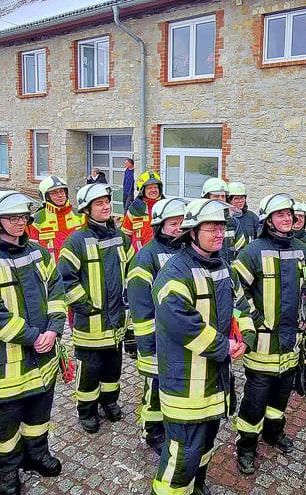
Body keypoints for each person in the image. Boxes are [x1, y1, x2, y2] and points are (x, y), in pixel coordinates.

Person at [0, 191, 66, 495]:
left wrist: (54, 329)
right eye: (12, 218)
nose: (20, 223)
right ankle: (8, 472)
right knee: (8, 423)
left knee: (40, 411)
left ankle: (36, 454)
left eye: (23, 217)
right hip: (7, 361)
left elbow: (57, 292)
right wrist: (35, 337)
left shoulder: (38, 253)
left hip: (45, 355)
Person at [152, 198, 253, 495]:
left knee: (206, 443)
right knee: (183, 452)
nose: (220, 233)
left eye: (222, 227)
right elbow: (184, 325)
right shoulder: (174, 275)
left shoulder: (222, 265)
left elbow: (240, 305)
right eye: (212, 228)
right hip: (186, 384)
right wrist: (225, 346)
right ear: (192, 232)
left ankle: (196, 485)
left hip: (215, 379)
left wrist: (244, 337)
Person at [232, 193, 306, 475]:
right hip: (262, 344)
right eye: (280, 215)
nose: (287, 219)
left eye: (290, 215)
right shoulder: (252, 252)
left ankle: (273, 432)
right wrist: (256, 319)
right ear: (268, 219)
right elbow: (236, 292)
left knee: (281, 396)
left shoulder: (303, 250)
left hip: (291, 343)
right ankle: (246, 445)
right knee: (254, 401)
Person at [57, 183, 135, 434]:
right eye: (99, 203)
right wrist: (85, 307)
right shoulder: (76, 241)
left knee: (113, 368)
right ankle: (86, 409)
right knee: (90, 370)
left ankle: (109, 401)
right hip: (90, 324)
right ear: (87, 210)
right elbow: (65, 280)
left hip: (116, 324)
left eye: (107, 202)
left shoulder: (121, 237)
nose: (105, 206)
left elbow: (133, 273)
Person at [127, 197, 187, 455]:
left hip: (182, 338)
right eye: (173, 223)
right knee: (154, 387)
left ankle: (172, 423)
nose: (179, 228)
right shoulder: (146, 257)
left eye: (183, 223)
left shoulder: (187, 251)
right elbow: (140, 306)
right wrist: (148, 343)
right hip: (156, 339)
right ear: (159, 225)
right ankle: (152, 430)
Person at [27, 175, 85, 261]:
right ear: (46, 197)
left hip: (77, 271)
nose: (60, 195)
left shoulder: (80, 215)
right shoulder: (35, 220)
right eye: (54, 193)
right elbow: (31, 253)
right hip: (51, 272)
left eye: (62, 191)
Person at [200, 177, 248, 264]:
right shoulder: (198, 222)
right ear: (206, 198)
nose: (221, 199)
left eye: (223, 196)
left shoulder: (234, 223)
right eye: (216, 196)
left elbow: (242, 253)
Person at [121, 170, 165, 252]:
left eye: (155, 187)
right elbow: (125, 237)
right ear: (142, 190)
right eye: (149, 188)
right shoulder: (134, 210)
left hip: (161, 257)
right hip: (138, 258)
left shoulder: (167, 208)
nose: (153, 190)